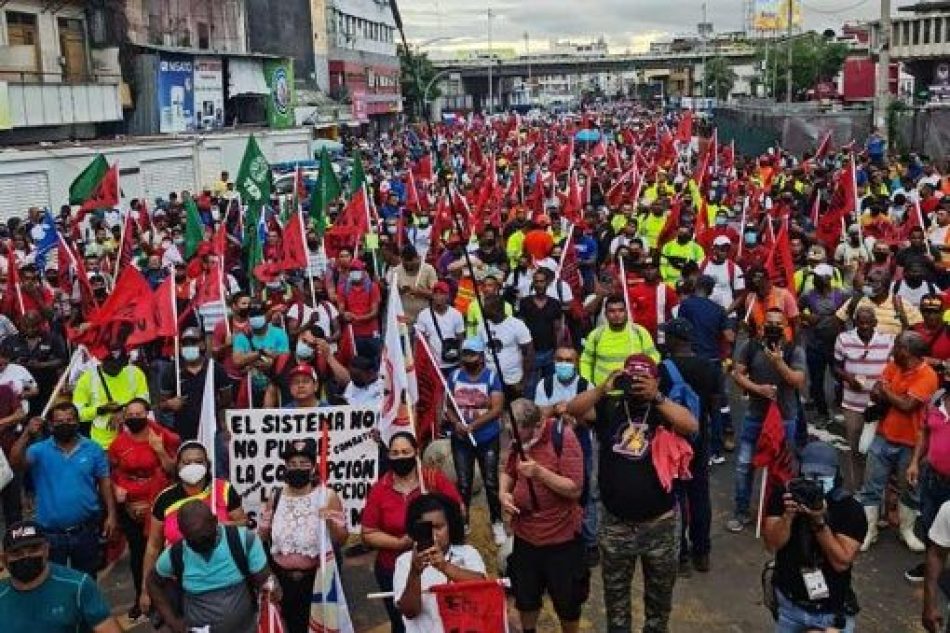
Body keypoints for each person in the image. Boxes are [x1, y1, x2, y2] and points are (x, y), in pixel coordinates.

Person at [565, 353, 699, 633]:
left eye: (644, 378)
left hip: (660, 525)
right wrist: (603, 388)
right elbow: (575, 409)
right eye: (632, 377)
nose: (637, 383)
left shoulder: (664, 409)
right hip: (617, 524)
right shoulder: (611, 406)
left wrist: (657, 397)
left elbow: (691, 425)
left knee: (659, 605)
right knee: (616, 604)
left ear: (656, 379)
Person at [501, 398, 588, 633]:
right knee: (526, 598)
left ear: (536, 424)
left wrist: (539, 472)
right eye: (511, 432)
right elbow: (508, 472)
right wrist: (504, 493)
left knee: (567, 601)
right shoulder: (517, 441)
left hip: (561, 539)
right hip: (526, 537)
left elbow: (574, 488)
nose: (515, 438)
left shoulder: (563, 438)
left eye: (520, 432)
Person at [361, 432, 463, 633]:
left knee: (438, 618)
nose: (400, 457)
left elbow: (458, 511)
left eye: (405, 452)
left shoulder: (433, 480)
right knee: (403, 623)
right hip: (391, 567)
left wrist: (434, 519)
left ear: (416, 452)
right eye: (395, 453)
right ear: (388, 456)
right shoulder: (379, 489)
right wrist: (401, 543)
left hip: (436, 564)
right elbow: (368, 532)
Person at [762, 441, 866, 633]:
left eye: (823, 476)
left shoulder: (849, 509)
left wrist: (818, 521)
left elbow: (841, 561)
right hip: (790, 605)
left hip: (830, 612)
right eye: (810, 475)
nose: (816, 481)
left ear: (836, 475)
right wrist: (788, 517)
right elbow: (772, 543)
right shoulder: (783, 497)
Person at [9, 403, 117, 578]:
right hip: (51, 535)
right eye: (59, 421)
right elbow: (15, 463)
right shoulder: (39, 450)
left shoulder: (93, 449)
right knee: (54, 582)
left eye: (69, 420)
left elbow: (105, 482)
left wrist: (112, 515)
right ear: (50, 425)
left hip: (86, 531)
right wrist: (26, 434)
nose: (65, 424)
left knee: (87, 580)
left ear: (77, 422)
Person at [140, 441, 246, 615]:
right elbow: (153, 546)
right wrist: (145, 590)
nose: (193, 466)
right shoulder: (165, 500)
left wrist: (219, 527)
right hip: (181, 582)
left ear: (207, 464)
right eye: (186, 462)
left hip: (225, 577)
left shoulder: (223, 489)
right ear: (177, 465)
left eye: (199, 462)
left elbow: (243, 523)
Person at [859, 331, 939, 552]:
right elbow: (876, 391)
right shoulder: (894, 366)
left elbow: (907, 405)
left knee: (909, 489)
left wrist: (885, 391)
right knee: (871, 486)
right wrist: (883, 391)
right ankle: (869, 530)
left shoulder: (928, 376)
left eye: (896, 346)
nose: (893, 349)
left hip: (911, 442)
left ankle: (907, 531)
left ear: (907, 351)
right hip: (882, 436)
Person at [147, 500, 279, 633]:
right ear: (182, 532)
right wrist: (172, 621)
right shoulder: (175, 554)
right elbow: (152, 582)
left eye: (205, 538)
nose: (201, 545)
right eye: (194, 542)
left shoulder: (243, 540)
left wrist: (272, 589)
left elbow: (266, 581)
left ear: (215, 521)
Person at [258, 439, 348, 633]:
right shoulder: (276, 495)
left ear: (313, 467)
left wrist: (331, 521)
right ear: (285, 467)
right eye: (292, 464)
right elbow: (263, 537)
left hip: (316, 581)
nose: (297, 468)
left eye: (303, 464)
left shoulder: (327, 496)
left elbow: (342, 539)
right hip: (282, 581)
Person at [728, 308, 806, 533]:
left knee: (782, 468)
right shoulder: (750, 346)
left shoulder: (794, 351)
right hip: (755, 416)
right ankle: (741, 511)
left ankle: (776, 513)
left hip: (785, 419)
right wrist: (758, 389)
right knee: (744, 465)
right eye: (769, 323)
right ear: (762, 327)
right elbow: (737, 374)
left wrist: (779, 363)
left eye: (777, 324)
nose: (773, 328)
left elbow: (797, 381)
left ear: (784, 328)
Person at [107, 398, 179, 622]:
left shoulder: (163, 437)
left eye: (140, 413)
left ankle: (167, 600)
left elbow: (172, 471)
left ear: (148, 414)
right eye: (131, 414)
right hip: (131, 510)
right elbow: (112, 473)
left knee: (162, 555)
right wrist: (119, 492)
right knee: (138, 556)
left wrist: (159, 450)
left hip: (158, 506)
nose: (135, 418)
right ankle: (142, 597)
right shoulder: (118, 444)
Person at [660, 319, 718, 574]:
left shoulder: (663, 369)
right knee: (699, 496)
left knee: (675, 496)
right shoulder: (709, 367)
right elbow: (716, 405)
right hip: (699, 439)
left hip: (672, 442)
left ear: (675, 339)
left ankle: (681, 554)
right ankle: (702, 552)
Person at [535, 346, 599, 565]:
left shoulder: (585, 385)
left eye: (569, 360)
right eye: (560, 359)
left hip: (581, 445)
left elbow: (591, 415)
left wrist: (571, 413)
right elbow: (538, 414)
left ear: (577, 362)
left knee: (586, 493)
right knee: (555, 490)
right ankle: (562, 536)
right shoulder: (545, 384)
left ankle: (589, 542)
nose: (564, 364)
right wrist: (557, 409)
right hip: (552, 446)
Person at [0, 521, 123, 633]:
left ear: (46, 550)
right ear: (4, 560)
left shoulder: (77, 586)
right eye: (17, 553)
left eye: (34, 549)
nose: (26, 557)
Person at [393, 493, 487, 633]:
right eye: (426, 529)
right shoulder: (404, 562)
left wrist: (444, 566)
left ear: (450, 526)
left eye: (439, 527)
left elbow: (483, 589)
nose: (434, 534)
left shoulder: (468, 553)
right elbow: (410, 612)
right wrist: (415, 572)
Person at [444, 337, 506, 544]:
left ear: (480, 356)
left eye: (472, 354)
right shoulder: (454, 376)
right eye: (465, 354)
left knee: (490, 482)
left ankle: (497, 521)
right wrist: (457, 424)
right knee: (463, 483)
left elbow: (497, 409)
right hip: (461, 440)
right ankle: (463, 522)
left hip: (487, 438)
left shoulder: (491, 378)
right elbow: (448, 408)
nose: (468, 358)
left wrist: (474, 426)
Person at [833, 306, 895, 492]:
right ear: (855, 322)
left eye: (869, 322)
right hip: (852, 404)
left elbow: (893, 371)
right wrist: (849, 378)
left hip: (879, 406)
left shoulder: (887, 340)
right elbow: (836, 366)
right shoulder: (844, 339)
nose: (865, 326)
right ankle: (857, 488)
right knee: (855, 449)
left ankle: (874, 490)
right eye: (861, 322)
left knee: (877, 451)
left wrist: (880, 387)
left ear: (875, 323)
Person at [72, 340, 150, 448]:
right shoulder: (87, 379)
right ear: (101, 360)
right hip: (102, 445)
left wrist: (124, 413)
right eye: (110, 364)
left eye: (119, 364)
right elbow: (77, 413)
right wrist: (100, 410)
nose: (115, 368)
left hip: (133, 439)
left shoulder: (136, 373)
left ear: (126, 361)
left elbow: (145, 404)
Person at [798, 263, 848, 426]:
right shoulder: (808, 295)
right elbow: (796, 310)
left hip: (837, 345)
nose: (815, 280)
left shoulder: (840, 295)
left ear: (827, 279)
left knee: (840, 377)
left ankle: (840, 405)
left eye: (818, 277)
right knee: (817, 381)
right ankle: (822, 412)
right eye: (814, 277)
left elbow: (851, 312)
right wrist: (806, 317)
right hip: (815, 345)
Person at [580, 294, 659, 387]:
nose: (617, 315)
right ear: (605, 314)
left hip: (634, 391)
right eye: (612, 311)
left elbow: (654, 358)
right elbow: (586, 361)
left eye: (621, 310)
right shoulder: (596, 335)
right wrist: (588, 385)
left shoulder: (640, 332)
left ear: (626, 312)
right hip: (603, 393)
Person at [476, 294, 534, 399]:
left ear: (496, 309)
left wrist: (523, 382)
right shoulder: (482, 325)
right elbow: (480, 352)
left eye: (487, 307)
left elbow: (529, 354)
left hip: (512, 381)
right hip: (490, 380)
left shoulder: (517, 325)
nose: (483, 309)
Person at [517, 268, 563, 397]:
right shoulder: (525, 302)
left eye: (542, 281)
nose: (539, 284)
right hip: (531, 353)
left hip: (549, 351)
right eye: (536, 281)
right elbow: (520, 327)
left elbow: (558, 329)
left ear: (547, 283)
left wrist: (557, 351)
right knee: (530, 387)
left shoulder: (555, 304)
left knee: (551, 386)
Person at [415, 281, 465, 374]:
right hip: (433, 365)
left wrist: (462, 364)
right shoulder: (423, 315)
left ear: (448, 296)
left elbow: (461, 340)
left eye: (442, 293)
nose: (438, 296)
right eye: (436, 293)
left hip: (453, 364)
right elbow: (421, 342)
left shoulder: (456, 314)